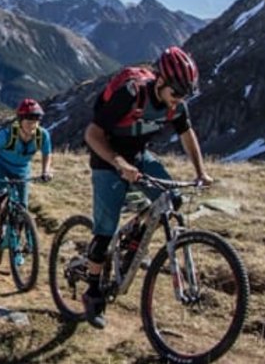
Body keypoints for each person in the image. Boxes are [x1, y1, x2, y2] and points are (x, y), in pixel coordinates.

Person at [80, 46, 215, 329]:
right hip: (107, 158)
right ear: (161, 81)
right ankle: (93, 293)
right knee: (104, 231)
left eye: (184, 96)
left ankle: (132, 237)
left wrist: (201, 172)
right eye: (176, 94)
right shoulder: (131, 93)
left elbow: (187, 134)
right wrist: (118, 164)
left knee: (171, 200)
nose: (178, 101)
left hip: (139, 157)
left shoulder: (176, 104)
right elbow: (92, 134)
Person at [0, 98, 53, 265]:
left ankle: (16, 249)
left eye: (36, 119)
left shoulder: (42, 135)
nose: (33, 124)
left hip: (22, 171)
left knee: (22, 209)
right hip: (0, 167)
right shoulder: (6, 135)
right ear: (20, 120)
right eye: (29, 120)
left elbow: (47, 153)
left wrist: (46, 170)